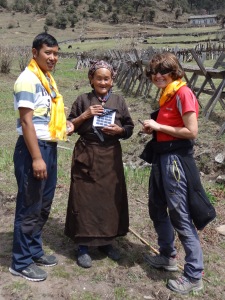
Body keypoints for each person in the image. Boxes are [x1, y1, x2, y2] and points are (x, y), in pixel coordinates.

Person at [9, 33, 74, 282]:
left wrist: (62, 125)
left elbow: (42, 115)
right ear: (35, 52)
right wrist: (37, 158)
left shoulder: (46, 79)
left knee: (43, 205)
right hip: (32, 149)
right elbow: (26, 121)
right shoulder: (27, 79)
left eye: (56, 53)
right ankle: (21, 261)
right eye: (48, 52)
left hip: (49, 146)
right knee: (29, 206)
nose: (53, 57)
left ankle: (34, 250)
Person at [141, 52, 204, 295]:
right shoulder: (167, 95)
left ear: (174, 72)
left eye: (162, 71)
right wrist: (154, 131)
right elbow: (171, 128)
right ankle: (167, 256)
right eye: (154, 72)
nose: (157, 75)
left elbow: (192, 131)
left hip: (176, 161)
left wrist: (158, 126)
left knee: (179, 213)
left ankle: (193, 273)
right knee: (156, 207)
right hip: (162, 157)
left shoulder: (183, 93)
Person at [64, 60, 134, 268]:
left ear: (112, 80)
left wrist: (120, 131)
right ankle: (83, 246)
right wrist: (85, 115)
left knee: (109, 199)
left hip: (110, 157)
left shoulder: (119, 101)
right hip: (86, 154)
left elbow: (129, 126)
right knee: (84, 199)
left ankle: (107, 242)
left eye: (107, 78)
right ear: (91, 79)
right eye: (99, 78)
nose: (103, 82)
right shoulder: (83, 100)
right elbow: (68, 126)